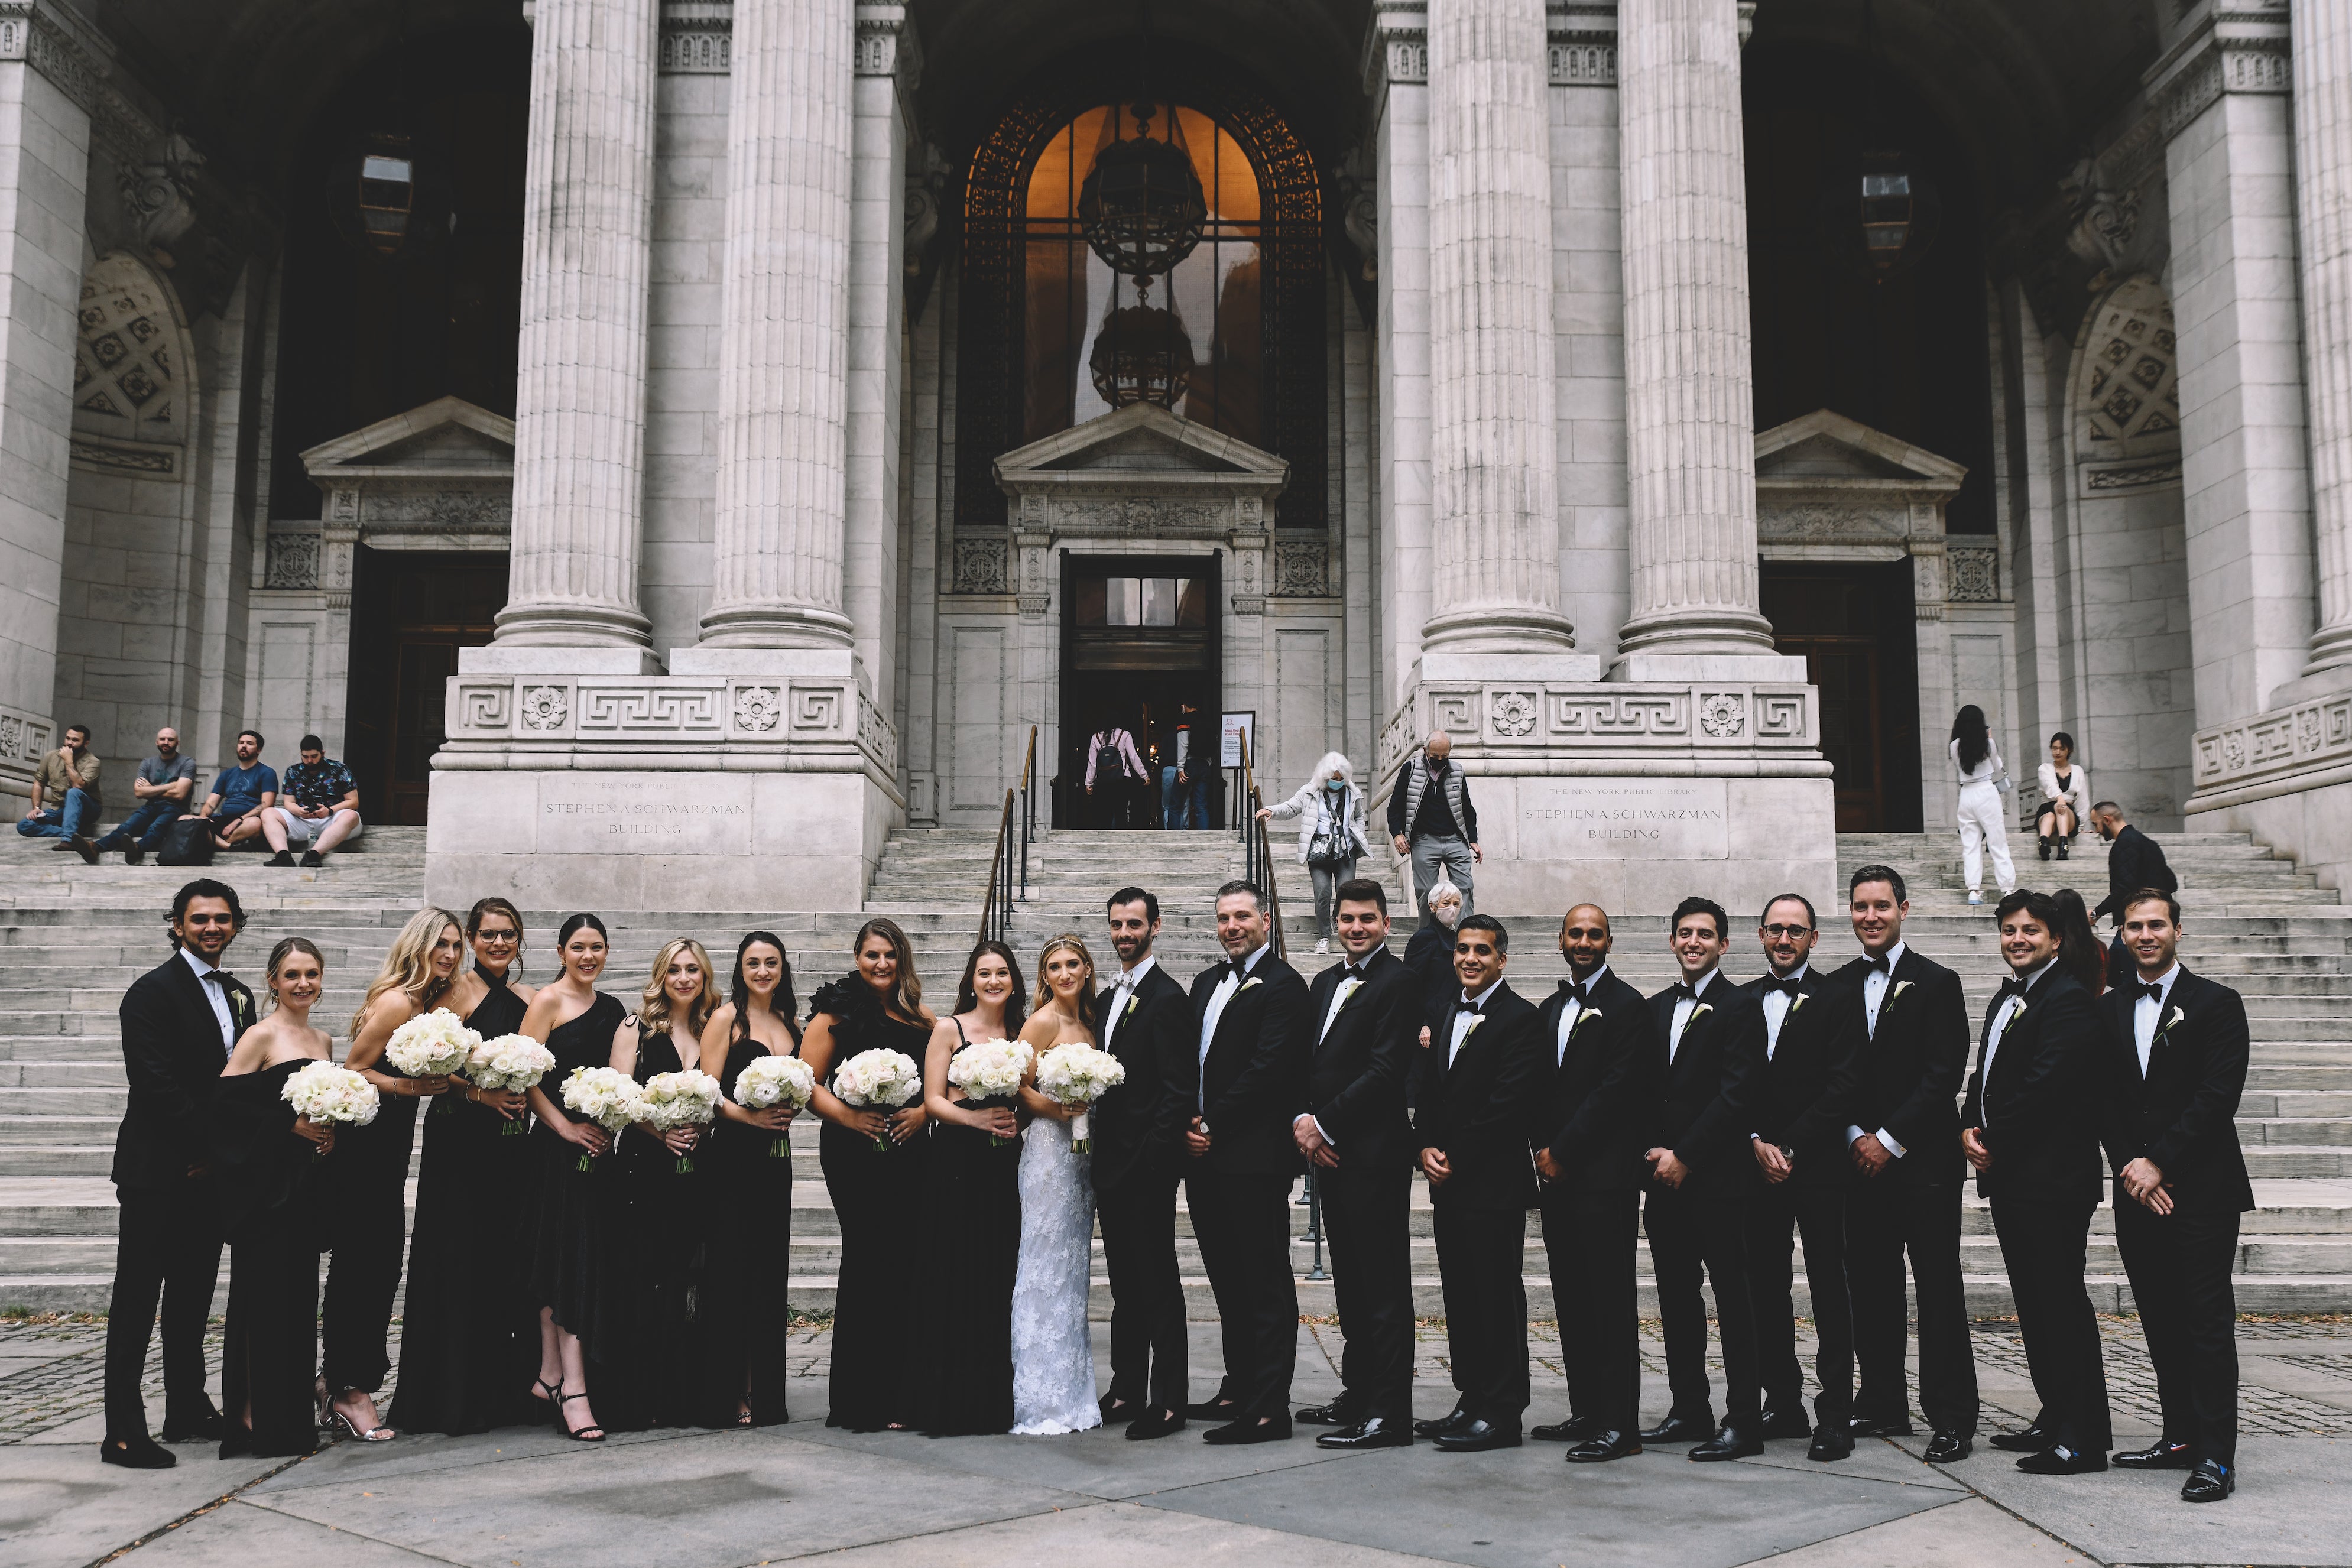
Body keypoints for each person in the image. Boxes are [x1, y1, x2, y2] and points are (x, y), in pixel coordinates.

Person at [2098, 889, 2253, 1504]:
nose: (2144, 934)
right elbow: (2104, 1099)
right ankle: (2179, 1435)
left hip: (2203, 1190)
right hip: (2138, 1190)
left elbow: (2217, 1097)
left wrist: (2158, 1161)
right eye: (2133, 926)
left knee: (2206, 1322)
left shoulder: (2216, 1003)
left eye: (2155, 924)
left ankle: (2217, 1454)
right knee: (2159, 1317)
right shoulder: (2108, 1008)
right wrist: (2130, 1168)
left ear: (2177, 930)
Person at [99, 879, 249, 1469]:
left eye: (221, 918)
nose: (211, 928)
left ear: (235, 924)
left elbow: (241, 1083)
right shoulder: (150, 993)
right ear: (177, 924)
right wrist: (211, 1145)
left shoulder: (237, 993)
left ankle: (186, 1405)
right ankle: (122, 1431)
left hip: (209, 1173)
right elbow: (156, 1085)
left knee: (192, 1296)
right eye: (199, 919)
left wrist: (225, 1154)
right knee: (138, 1299)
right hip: (156, 1171)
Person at [1962, 888, 2114, 1473]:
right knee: (2034, 1305)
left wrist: (1990, 1134)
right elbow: (1986, 1075)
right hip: (2014, 1179)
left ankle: (2082, 1437)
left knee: (2060, 1306)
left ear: (2054, 938)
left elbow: (2046, 1088)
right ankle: (2056, 1415)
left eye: (2029, 930)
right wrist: (1965, 1126)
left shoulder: (2068, 1001)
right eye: (2008, 929)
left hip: (2053, 1181)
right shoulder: (2011, 997)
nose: (2017, 938)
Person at [1834, 865, 1978, 1461]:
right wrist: (1851, 1137)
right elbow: (1828, 1076)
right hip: (1856, 1164)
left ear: (1904, 908)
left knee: (1937, 1287)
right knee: (1869, 1287)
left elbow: (1943, 1072)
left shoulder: (1937, 982)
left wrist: (1887, 1138)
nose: (1871, 916)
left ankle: (1950, 1416)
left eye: (1882, 906)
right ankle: (1882, 1398)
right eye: (1861, 906)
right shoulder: (1835, 985)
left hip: (1924, 1163)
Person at [391, 898, 540, 1436]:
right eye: (488, 935)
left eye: (508, 934)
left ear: (520, 940)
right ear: (473, 939)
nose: (498, 943)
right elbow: (431, 1061)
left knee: (504, 1261)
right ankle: (449, 1395)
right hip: (459, 1137)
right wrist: (479, 1093)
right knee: (457, 1256)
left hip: (510, 1144)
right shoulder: (452, 992)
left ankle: (502, 1391)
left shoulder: (528, 998)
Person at [1638, 897, 1769, 1461]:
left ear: (1723, 944)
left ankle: (1743, 1418)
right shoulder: (1655, 1007)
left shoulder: (1740, 1006)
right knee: (1676, 1300)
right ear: (1671, 941)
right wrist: (1653, 1151)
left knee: (1733, 1301)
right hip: (1663, 1182)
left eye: (1705, 934)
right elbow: (1644, 1088)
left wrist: (1686, 1153)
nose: (1694, 942)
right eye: (1685, 933)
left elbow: (1738, 1093)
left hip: (1718, 1181)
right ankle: (1688, 1405)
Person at [327, 907, 463, 1443]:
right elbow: (354, 1068)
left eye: (455, 945)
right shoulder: (399, 1000)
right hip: (363, 1148)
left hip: (389, 1150)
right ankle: (347, 1387)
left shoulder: (429, 1002)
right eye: (441, 945)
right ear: (418, 947)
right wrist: (407, 1088)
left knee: (381, 1265)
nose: (450, 954)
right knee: (363, 1265)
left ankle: (342, 1378)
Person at [1290, 878, 1417, 1451]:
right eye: (1347, 918)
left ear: (1386, 923)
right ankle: (1358, 1389)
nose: (1357, 927)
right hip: (1331, 1156)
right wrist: (1304, 1121)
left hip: (1374, 1156)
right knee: (1349, 1282)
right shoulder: (1322, 982)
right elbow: (1308, 1062)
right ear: (1335, 923)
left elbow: (1386, 1068)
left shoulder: (1398, 981)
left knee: (1383, 1286)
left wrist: (1324, 1123)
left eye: (1367, 918)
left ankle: (1388, 1413)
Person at [1528, 903, 1657, 1463]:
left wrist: (1562, 1150)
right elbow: (1537, 1088)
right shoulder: (1550, 1006)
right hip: (1555, 1178)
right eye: (1575, 933)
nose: (1584, 942)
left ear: (1610, 941)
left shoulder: (1629, 1007)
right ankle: (1585, 1408)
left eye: (1594, 934)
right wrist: (1539, 1150)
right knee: (1571, 1296)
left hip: (1603, 1178)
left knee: (1609, 1300)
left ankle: (1618, 1424)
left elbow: (1615, 1091)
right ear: (1561, 938)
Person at [1183, 879, 1310, 1444]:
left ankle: (1268, 1407)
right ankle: (1237, 1386)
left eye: (1241, 916)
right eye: (1223, 918)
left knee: (1263, 1284)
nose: (1231, 926)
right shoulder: (1205, 981)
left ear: (1265, 919)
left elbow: (1269, 1071)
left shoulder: (1285, 986)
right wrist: (1187, 1120)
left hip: (1254, 1159)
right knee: (1226, 1280)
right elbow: (1187, 1060)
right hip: (1204, 1160)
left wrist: (1211, 1122)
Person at [1410, 914, 1542, 1452]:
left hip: (1493, 1184)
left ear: (1501, 958)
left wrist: (1455, 1154)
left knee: (1496, 1297)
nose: (1468, 958)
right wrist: (1423, 1147)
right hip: (1449, 1183)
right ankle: (1471, 1397)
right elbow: (1430, 1091)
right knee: (1461, 1295)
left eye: (1481, 951)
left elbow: (1507, 1106)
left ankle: (1503, 1410)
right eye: (1462, 949)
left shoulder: (1521, 1018)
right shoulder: (1444, 1011)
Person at [1741, 894, 1863, 1461]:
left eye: (1796, 930)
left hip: (1817, 1167)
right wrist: (1755, 1143)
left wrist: (1789, 1145)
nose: (1784, 939)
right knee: (1764, 1285)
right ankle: (1782, 1400)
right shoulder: (1740, 1000)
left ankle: (1834, 1413)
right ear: (1760, 935)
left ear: (1813, 938)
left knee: (1828, 1289)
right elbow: (1730, 1086)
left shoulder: (1838, 998)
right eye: (1775, 929)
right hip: (1754, 1169)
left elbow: (1844, 1085)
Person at [803, 918, 935, 1431]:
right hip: (851, 1149)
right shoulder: (833, 1011)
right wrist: (850, 1116)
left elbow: (938, 1082)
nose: (881, 964)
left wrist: (924, 1111)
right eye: (871, 955)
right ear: (857, 956)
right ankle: (861, 1399)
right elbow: (807, 1081)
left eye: (889, 956)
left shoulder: (919, 1016)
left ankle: (903, 1395)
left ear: (901, 959)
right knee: (866, 1259)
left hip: (907, 1149)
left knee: (904, 1262)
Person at [210, 937, 333, 1459]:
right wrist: (291, 1125)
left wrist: (332, 1129)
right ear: (272, 982)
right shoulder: (259, 1037)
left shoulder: (323, 1039)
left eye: (311, 973)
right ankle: (251, 1414)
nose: (302, 983)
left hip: (307, 1189)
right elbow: (223, 1110)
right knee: (263, 1303)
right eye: (292, 975)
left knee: (299, 1304)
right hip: (265, 1194)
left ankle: (289, 1418)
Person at [596, 938, 716, 1431]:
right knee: (646, 1275)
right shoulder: (636, 1028)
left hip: (700, 1165)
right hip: (645, 1166)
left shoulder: (715, 1027)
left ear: (704, 976)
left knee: (691, 1277)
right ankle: (638, 1394)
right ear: (660, 977)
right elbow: (619, 1098)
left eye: (692, 969)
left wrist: (699, 1127)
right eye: (674, 970)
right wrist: (660, 1130)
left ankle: (683, 1394)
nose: (684, 978)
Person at [1090, 887, 1193, 1440]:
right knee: (1125, 1284)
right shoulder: (1107, 998)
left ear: (1156, 927)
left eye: (1134, 924)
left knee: (1157, 1283)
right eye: (1116, 924)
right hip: (1109, 1166)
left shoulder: (1167, 997)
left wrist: (1152, 1159)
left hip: (1147, 1169)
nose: (1124, 933)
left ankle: (1170, 1400)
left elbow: (1177, 1091)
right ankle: (1127, 1386)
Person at [520, 913, 628, 1442]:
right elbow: (524, 1073)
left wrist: (606, 1120)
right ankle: (575, 1389)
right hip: (554, 1148)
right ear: (561, 950)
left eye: (598, 947)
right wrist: (564, 1126)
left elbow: (619, 1079)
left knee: (573, 1258)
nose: (589, 956)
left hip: (598, 1149)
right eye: (579, 947)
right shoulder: (547, 1002)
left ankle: (551, 1374)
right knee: (565, 1258)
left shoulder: (613, 1010)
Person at [913, 939, 1027, 1436]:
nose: (993, 981)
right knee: (954, 1269)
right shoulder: (948, 1027)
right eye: (984, 972)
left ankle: (989, 1400)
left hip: (1006, 1165)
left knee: (996, 1272)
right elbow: (932, 1101)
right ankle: (947, 1400)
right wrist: (975, 1119)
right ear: (971, 979)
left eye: (1002, 972)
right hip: (956, 1159)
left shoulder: (1023, 1031)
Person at [696, 930, 803, 1427]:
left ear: (782, 968)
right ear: (740, 968)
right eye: (753, 962)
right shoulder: (726, 1018)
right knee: (732, 1272)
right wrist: (751, 1118)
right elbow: (707, 1090)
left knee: (767, 1271)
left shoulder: (788, 1021)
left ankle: (765, 1389)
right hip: (733, 1158)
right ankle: (729, 1389)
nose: (763, 970)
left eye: (772, 962)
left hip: (774, 1160)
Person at [1012, 935, 1104, 1435]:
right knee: (1042, 1263)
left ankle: (1072, 1391)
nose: (1064, 973)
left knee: (1071, 1271)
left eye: (1073, 964)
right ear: (1044, 976)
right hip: (1049, 1154)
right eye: (1054, 966)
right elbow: (1019, 1087)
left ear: (1088, 969)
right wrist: (1057, 1108)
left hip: (1081, 1162)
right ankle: (1039, 1396)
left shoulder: (1090, 1023)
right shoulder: (1042, 1020)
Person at [1258, 752, 1373, 954]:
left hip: (1346, 851)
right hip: (1319, 851)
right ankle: (1324, 936)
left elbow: (1359, 816)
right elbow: (1291, 807)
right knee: (1322, 893)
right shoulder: (1311, 791)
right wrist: (1271, 811)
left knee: (1346, 892)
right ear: (1324, 776)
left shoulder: (1353, 792)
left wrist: (1358, 835)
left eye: (1341, 779)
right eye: (1333, 778)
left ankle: (1342, 925)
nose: (1337, 782)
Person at [1387, 729, 1481, 918]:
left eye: (1444, 756)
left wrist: (1473, 839)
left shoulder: (1458, 771)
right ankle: (1429, 941)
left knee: (1465, 889)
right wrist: (1397, 834)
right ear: (1425, 751)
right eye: (1435, 755)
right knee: (1426, 893)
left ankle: (1465, 938)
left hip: (1456, 840)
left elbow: (1467, 807)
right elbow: (1394, 807)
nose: (1439, 759)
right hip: (1424, 840)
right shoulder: (1410, 769)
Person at [2093, 801, 2178, 985]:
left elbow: (2124, 888)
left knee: (2118, 975)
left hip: (2135, 921)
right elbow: (2172, 882)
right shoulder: (2148, 843)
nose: (2096, 831)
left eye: (2096, 824)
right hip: (2153, 918)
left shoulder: (2123, 845)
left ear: (2107, 820)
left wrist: (2096, 913)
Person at [90, 727, 196, 863]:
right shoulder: (148, 763)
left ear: (177, 743)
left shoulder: (187, 763)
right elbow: (139, 792)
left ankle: (137, 850)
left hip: (176, 808)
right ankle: (95, 847)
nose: (166, 742)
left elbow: (179, 795)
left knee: (156, 827)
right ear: (157, 742)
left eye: (171, 740)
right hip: (151, 806)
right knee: (126, 827)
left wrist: (151, 790)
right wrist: (170, 786)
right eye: (162, 739)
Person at [1949, 705, 2016, 905]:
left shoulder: (1954, 746)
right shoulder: (1988, 744)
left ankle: (1974, 891)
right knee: (1997, 842)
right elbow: (1997, 766)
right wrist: (1990, 738)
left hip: (1966, 795)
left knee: (1970, 846)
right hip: (1987, 792)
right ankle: (2007, 889)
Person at [263, 735, 364, 868]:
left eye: (314, 756)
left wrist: (330, 810)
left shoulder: (340, 769)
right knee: (268, 813)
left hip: (333, 820)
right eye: (305, 757)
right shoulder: (293, 771)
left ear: (323, 753)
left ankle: (314, 854)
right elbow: (289, 802)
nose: (310, 761)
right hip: (302, 821)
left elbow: (353, 802)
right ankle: (283, 856)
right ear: (301, 754)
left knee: (351, 815)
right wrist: (298, 811)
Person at [18, 721, 102, 859]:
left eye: (75, 740)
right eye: (68, 738)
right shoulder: (51, 756)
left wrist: (69, 761)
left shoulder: (93, 762)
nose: (69, 743)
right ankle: (74, 833)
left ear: (86, 743)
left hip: (88, 809)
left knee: (74, 793)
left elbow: (78, 786)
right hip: (60, 810)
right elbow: (39, 783)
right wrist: (37, 808)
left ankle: (68, 841)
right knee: (24, 825)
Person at [197, 730, 279, 852]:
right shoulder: (227, 774)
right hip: (223, 819)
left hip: (247, 821)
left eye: (250, 743)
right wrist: (203, 818)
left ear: (259, 750)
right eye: (241, 743)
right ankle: (228, 847)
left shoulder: (267, 772)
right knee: (184, 820)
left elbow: (267, 805)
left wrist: (239, 820)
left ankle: (216, 844)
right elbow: (211, 803)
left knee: (255, 824)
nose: (244, 746)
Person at [1403, 876, 1465, 1028]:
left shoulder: (1457, 938)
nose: (1452, 908)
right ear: (1433, 906)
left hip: (1453, 1018)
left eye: (1456, 904)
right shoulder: (1424, 938)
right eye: (1446, 903)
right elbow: (1410, 985)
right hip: (1431, 1023)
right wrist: (1421, 1023)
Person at [2035, 732, 2089, 862]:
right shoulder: (2045, 768)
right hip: (2046, 810)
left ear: (2069, 750)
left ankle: (2063, 844)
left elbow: (2082, 800)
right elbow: (2050, 785)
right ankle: (2044, 843)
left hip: (2068, 814)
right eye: (2054, 748)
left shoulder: (2078, 771)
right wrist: (2060, 798)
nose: (2057, 752)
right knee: (2050, 814)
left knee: (2061, 808)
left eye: (2062, 748)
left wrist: (2081, 827)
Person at [1083, 719, 1149, 828]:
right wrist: (1144, 775)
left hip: (1103, 781)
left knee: (1105, 815)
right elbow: (1133, 757)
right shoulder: (1125, 734)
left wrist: (1089, 783)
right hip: (1123, 779)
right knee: (1121, 814)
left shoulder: (1096, 737)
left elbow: (1093, 763)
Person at [1163, 703, 1207, 829]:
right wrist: (1208, 763)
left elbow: (1184, 745)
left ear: (1183, 706)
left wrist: (1181, 768)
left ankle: (1175, 838)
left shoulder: (1185, 720)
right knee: (1201, 806)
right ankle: (1205, 839)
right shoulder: (1206, 719)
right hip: (1204, 764)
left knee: (1175, 805)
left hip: (1189, 764)